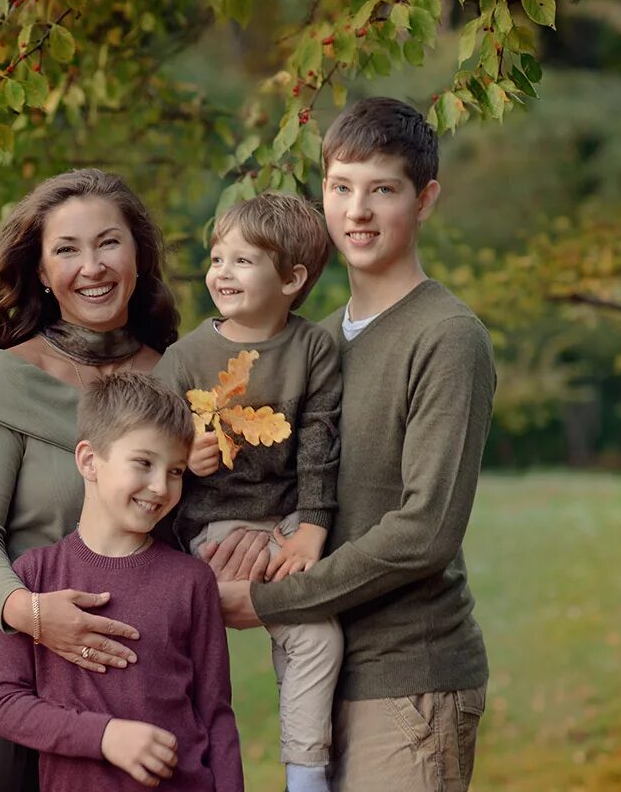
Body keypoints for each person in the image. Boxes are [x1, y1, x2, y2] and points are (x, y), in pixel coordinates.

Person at [211, 97, 496, 792]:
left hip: (408, 680)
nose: (357, 210)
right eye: (341, 187)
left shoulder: (446, 337)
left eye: (383, 189)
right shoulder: (318, 340)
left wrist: (272, 600)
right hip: (322, 678)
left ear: (424, 199)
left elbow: (424, 530)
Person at [0, 168, 180, 792]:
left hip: (132, 679)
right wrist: (32, 614)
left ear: (138, 256)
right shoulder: (3, 375)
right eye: (67, 251)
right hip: (2, 673)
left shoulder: (177, 382)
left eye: (108, 243)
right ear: (43, 273)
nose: (92, 266)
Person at [152, 192, 342, 792]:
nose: (222, 273)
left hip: (286, 524)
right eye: (216, 258)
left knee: (317, 633)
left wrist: (312, 521)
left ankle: (306, 772)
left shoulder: (313, 349)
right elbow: (149, 447)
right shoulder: (185, 358)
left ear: (292, 278)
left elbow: (319, 439)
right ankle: (185, 764)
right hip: (213, 528)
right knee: (184, 643)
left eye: (242, 261)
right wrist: (186, 455)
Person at [0, 372, 243, 792]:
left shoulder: (192, 582)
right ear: (89, 460)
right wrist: (104, 736)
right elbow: (6, 704)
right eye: (143, 462)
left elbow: (215, 714)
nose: (160, 486)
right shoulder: (34, 577)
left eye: (176, 471)